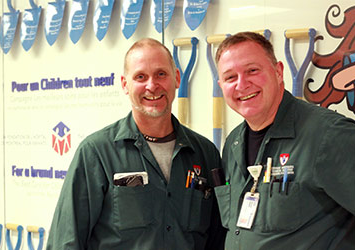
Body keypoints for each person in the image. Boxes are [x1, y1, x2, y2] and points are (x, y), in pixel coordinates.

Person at [47, 38, 226, 250]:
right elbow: (66, 240)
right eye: (141, 77)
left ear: (177, 78)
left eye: (161, 74)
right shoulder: (96, 152)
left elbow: (218, 238)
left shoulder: (205, 154)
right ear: (125, 84)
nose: (152, 85)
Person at [214, 31, 355, 249]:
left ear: (278, 71)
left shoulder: (328, 136)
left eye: (252, 70)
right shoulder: (233, 143)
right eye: (230, 77)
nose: (241, 85)